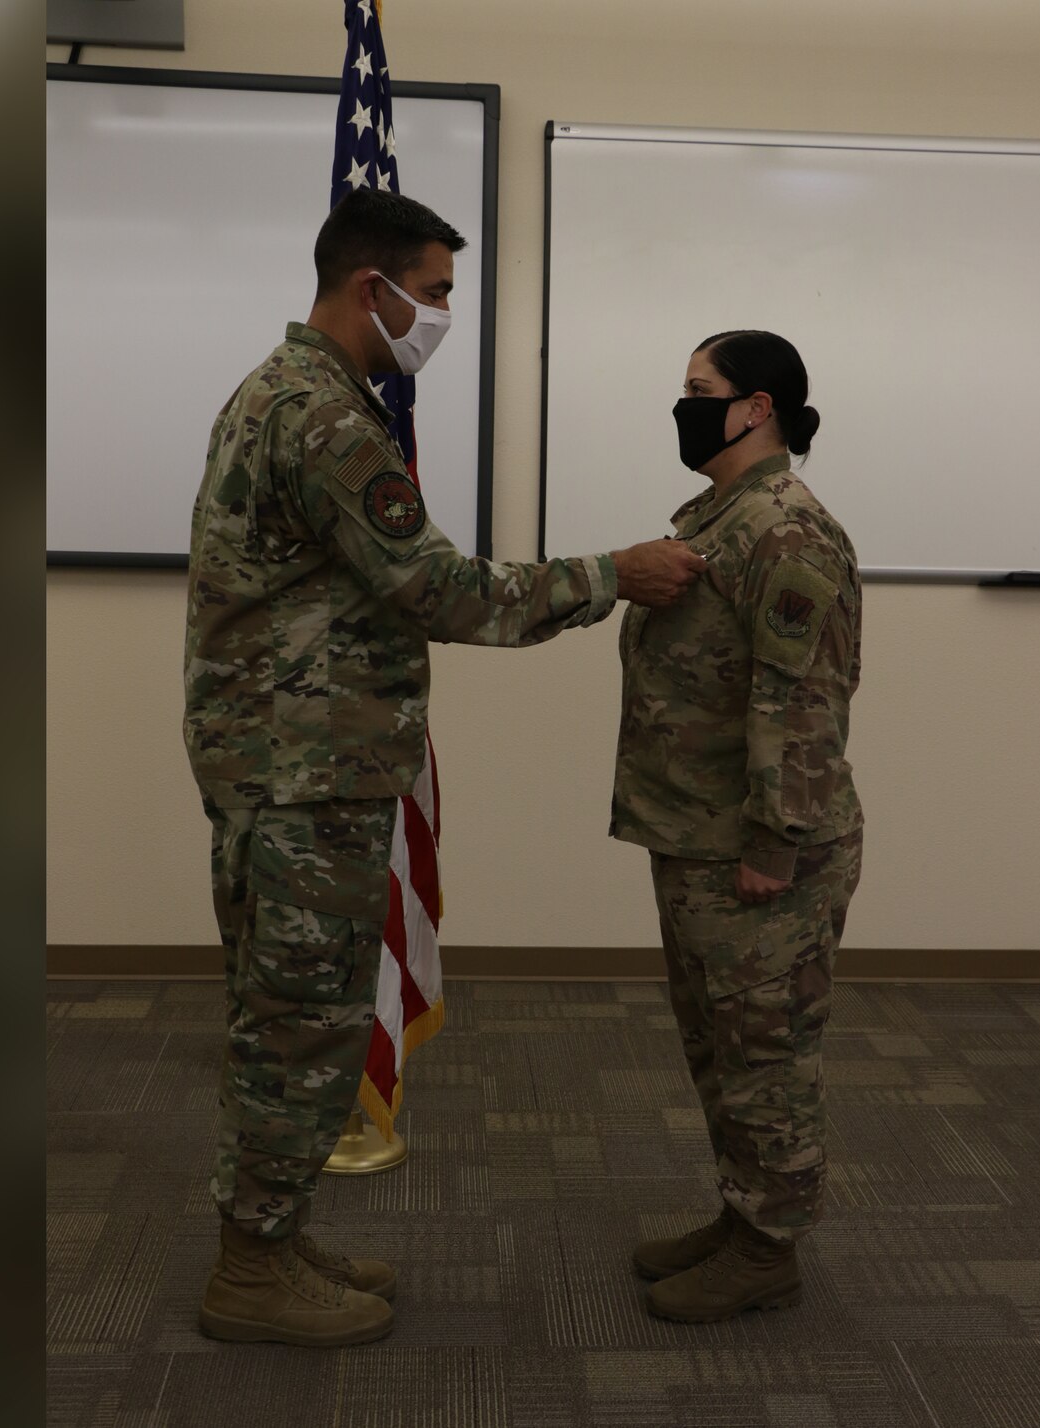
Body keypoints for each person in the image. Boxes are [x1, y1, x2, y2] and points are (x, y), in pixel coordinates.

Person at [184, 189, 706, 1349]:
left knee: (290, 1015)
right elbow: (440, 590)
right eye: (436, 292)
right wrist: (607, 572)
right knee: (301, 1024)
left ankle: (271, 1235)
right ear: (372, 287)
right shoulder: (321, 418)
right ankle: (249, 1270)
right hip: (302, 773)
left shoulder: (286, 394)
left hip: (288, 763)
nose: (440, 315)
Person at [609, 330, 863, 1322]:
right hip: (699, 835)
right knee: (717, 1044)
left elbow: (800, 704)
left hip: (760, 850)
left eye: (696, 391)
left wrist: (773, 844)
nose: (682, 406)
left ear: (754, 407)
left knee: (764, 1053)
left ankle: (768, 1250)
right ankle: (741, 1213)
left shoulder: (785, 532)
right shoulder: (719, 517)